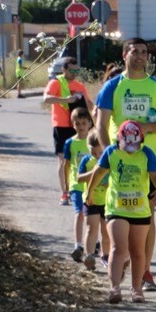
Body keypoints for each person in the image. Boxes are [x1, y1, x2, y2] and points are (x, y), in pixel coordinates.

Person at [96, 39, 156, 292]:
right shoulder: (113, 86)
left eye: (144, 52)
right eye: (135, 51)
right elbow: (100, 124)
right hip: (119, 160)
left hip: (148, 159)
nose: (141, 56)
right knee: (117, 213)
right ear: (124, 55)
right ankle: (120, 259)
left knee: (148, 213)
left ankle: (145, 270)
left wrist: (147, 128)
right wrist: (106, 157)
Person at [84, 120, 156, 304]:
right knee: (118, 248)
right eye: (126, 144)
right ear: (119, 139)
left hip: (140, 210)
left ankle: (136, 288)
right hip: (117, 207)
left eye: (134, 144)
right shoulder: (111, 152)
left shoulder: (147, 154)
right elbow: (98, 173)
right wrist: (89, 193)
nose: (130, 148)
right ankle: (115, 288)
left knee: (137, 251)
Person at [43, 57, 89, 205]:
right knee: (64, 160)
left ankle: (81, 189)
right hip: (61, 125)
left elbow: (88, 103)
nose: (75, 73)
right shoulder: (56, 82)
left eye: (77, 70)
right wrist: (66, 100)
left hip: (79, 126)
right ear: (64, 69)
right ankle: (65, 192)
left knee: (81, 158)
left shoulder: (80, 86)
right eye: (72, 70)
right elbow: (46, 99)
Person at [62, 104, 97, 262]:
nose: (81, 127)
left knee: (94, 216)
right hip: (77, 184)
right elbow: (66, 164)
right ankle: (78, 245)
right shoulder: (70, 143)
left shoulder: (95, 140)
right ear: (72, 124)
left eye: (84, 123)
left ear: (90, 123)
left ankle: (93, 241)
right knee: (79, 213)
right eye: (77, 123)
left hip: (93, 185)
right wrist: (66, 186)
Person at [75, 124, 106, 271]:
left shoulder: (108, 160)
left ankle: (106, 256)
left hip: (108, 201)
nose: (97, 156)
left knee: (107, 230)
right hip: (90, 199)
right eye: (94, 153)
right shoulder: (86, 161)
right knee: (91, 228)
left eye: (100, 152)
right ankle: (89, 256)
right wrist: (93, 173)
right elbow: (79, 178)